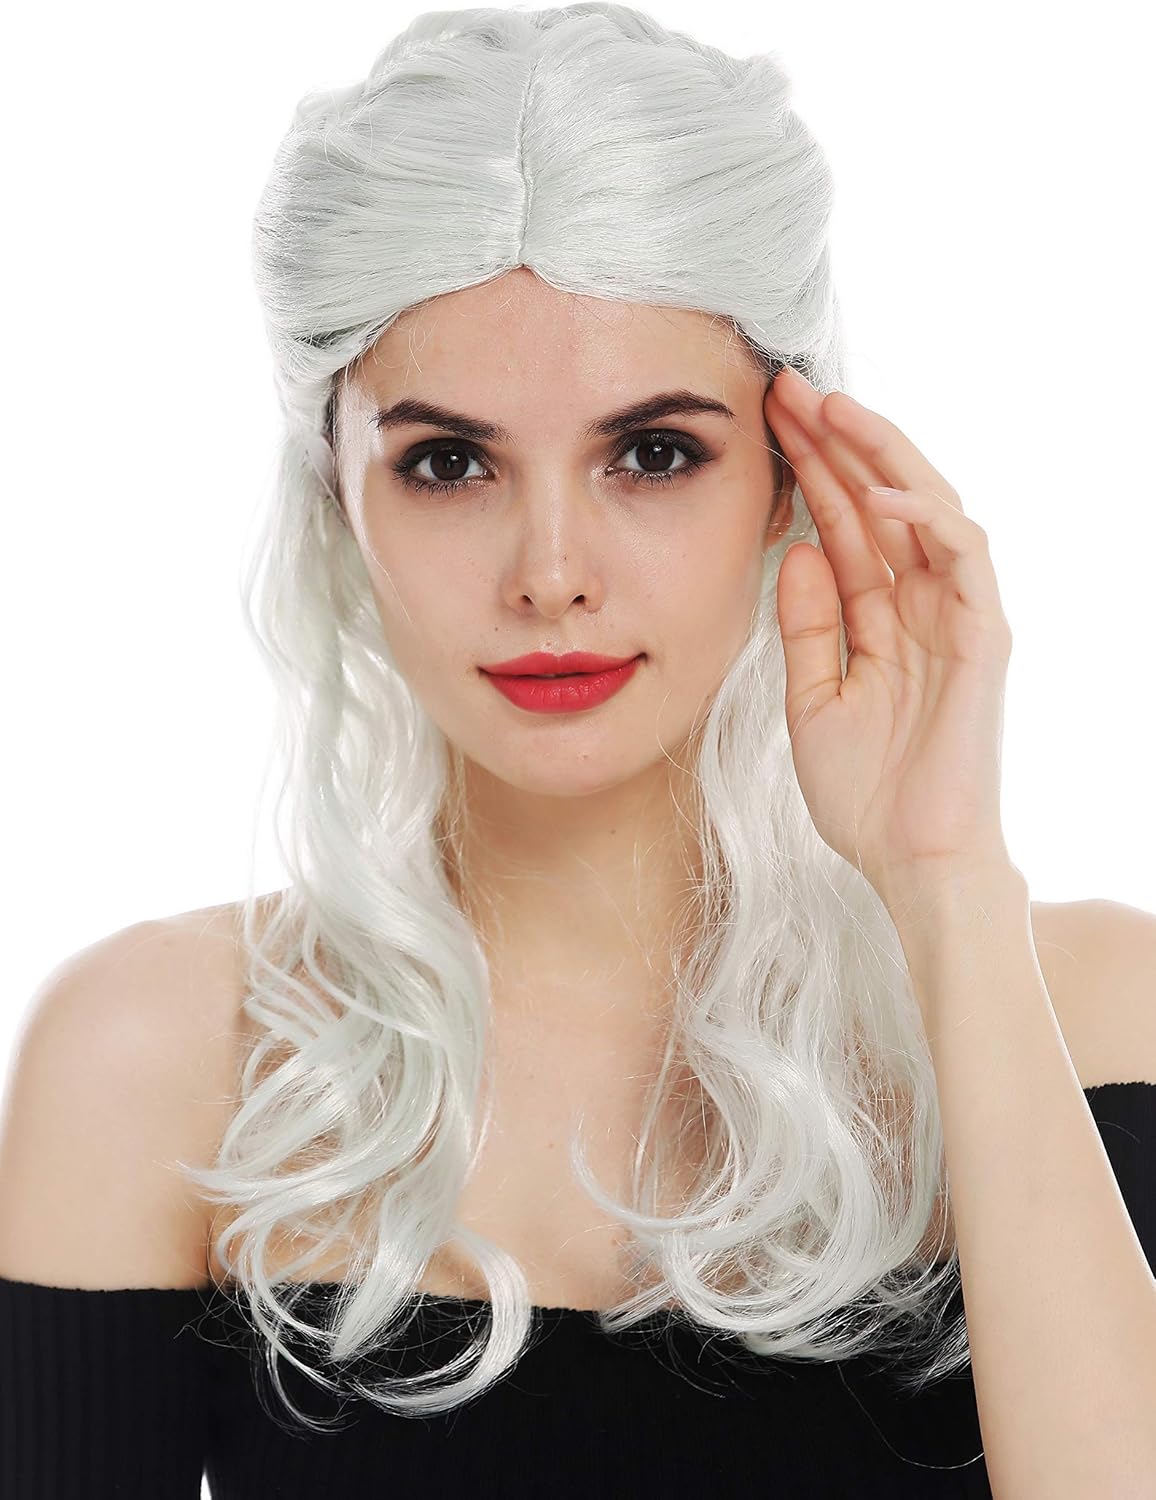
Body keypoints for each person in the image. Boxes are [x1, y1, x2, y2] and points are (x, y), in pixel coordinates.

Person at [1, 5, 1153, 1496]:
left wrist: (948, 889)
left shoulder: (1093, 1012)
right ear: (338, 495)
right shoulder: (160, 1059)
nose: (551, 573)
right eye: (449, 463)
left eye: (653, 453)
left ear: (793, 478)